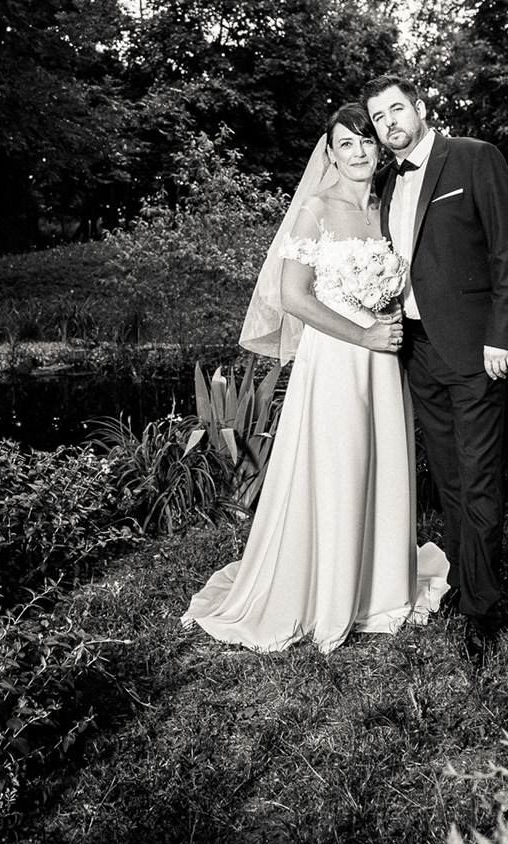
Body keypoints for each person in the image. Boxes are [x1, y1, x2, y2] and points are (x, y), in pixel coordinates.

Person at [183, 103, 450, 652]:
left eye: (366, 141)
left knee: (380, 462)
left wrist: (387, 326)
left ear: (380, 148)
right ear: (330, 153)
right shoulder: (316, 208)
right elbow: (293, 296)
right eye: (345, 144)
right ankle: (328, 594)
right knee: (338, 467)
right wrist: (365, 334)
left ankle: (377, 590)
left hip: (383, 360)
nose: (358, 152)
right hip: (336, 360)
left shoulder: (388, 205)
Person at [363, 74, 508, 644]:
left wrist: (502, 336)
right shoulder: (386, 181)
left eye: (396, 109)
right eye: (379, 118)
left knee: (479, 476)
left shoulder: (475, 158)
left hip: (477, 348)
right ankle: (461, 578)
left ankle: (483, 611)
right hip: (416, 349)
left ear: (420, 107)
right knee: (450, 476)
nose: (389, 123)